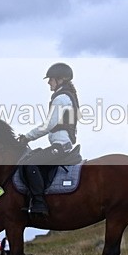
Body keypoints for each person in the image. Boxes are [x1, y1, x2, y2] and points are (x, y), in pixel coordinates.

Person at [17, 62, 80, 215]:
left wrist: (27, 137)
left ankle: (39, 203)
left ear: (60, 79)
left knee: (31, 163)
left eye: (51, 79)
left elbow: (48, 126)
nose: (49, 83)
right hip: (61, 144)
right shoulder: (65, 97)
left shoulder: (62, 98)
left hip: (61, 146)